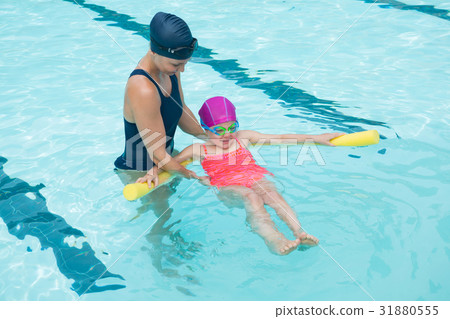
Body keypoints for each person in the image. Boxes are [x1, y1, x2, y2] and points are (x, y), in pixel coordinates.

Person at [166, 96, 345, 255]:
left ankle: (299, 233)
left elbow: (281, 138)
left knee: (271, 194)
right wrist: (194, 177)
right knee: (251, 196)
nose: (227, 134)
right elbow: (168, 163)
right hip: (228, 186)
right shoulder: (198, 149)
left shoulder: (243, 137)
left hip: (254, 177)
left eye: (232, 127)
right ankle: (274, 240)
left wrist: (317, 138)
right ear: (205, 130)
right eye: (219, 130)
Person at [114, 12, 207, 186]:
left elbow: (181, 110)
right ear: (154, 51)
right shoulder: (143, 88)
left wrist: (210, 137)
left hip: (166, 161)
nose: (182, 70)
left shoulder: (169, 70)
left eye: (185, 64)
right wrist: (191, 176)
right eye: (177, 64)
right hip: (142, 173)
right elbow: (157, 154)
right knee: (165, 212)